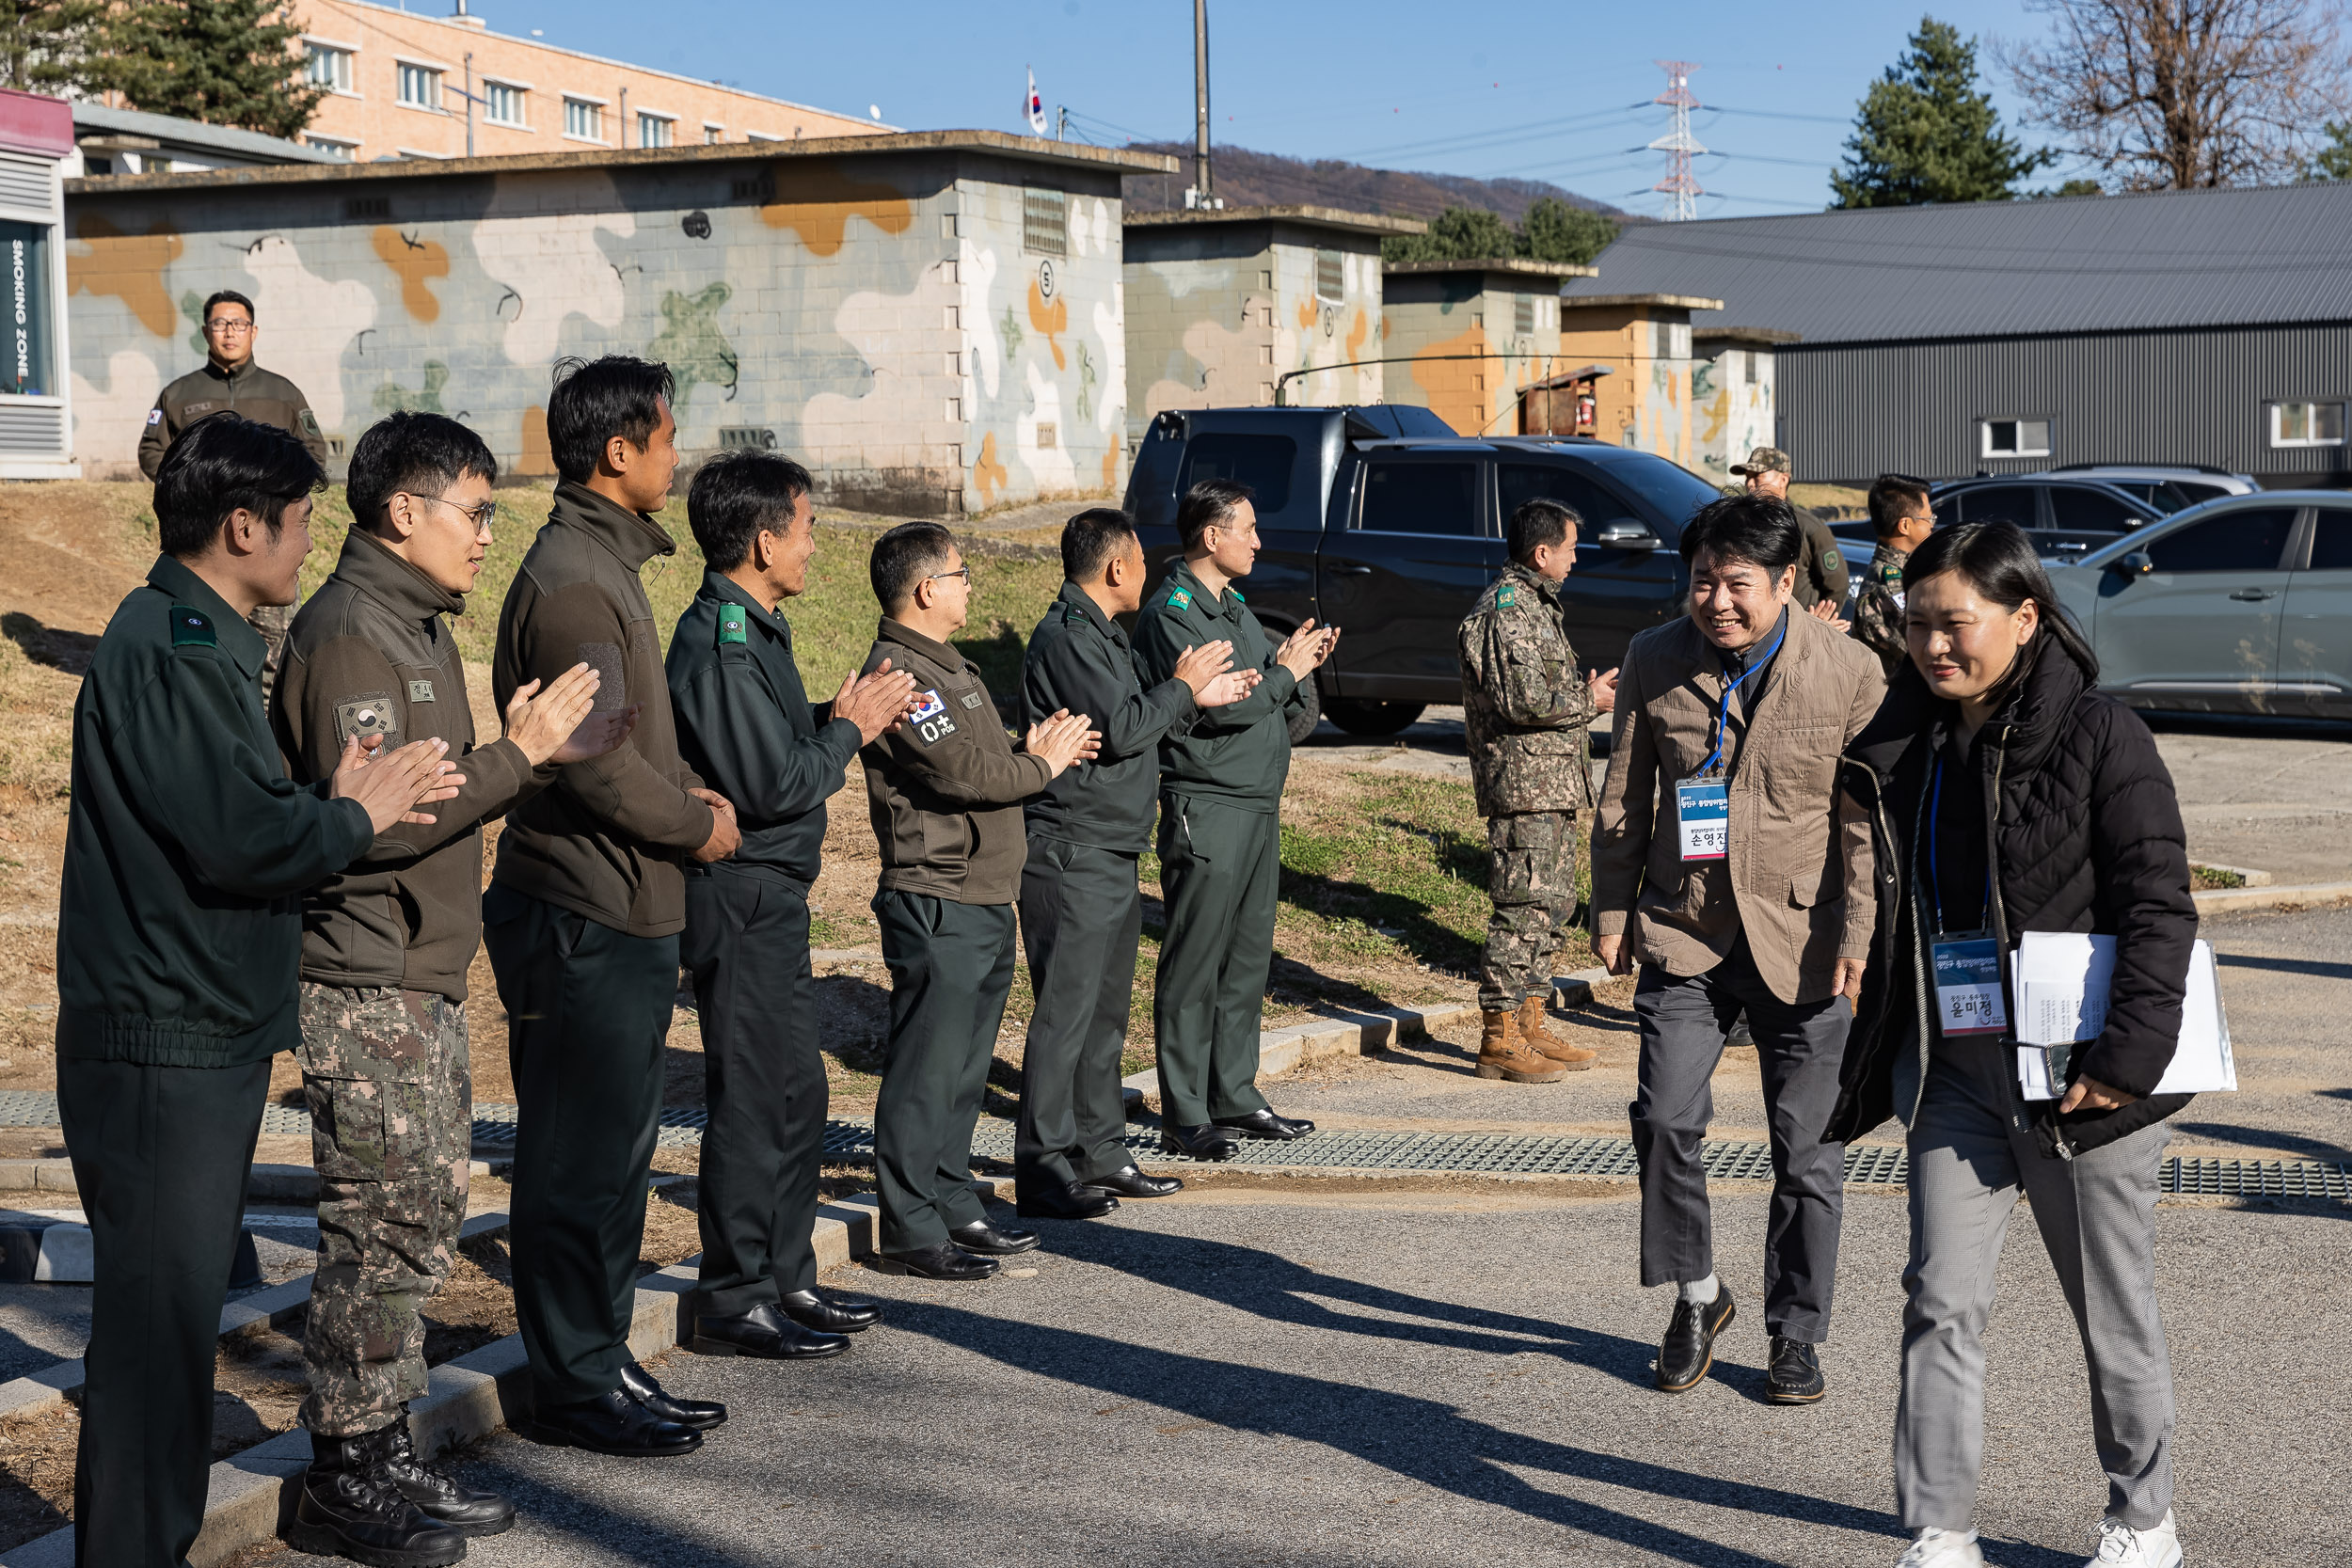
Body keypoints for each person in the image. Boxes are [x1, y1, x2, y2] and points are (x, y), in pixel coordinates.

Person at [57, 413, 460, 1568]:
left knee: (171, 1327)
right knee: (153, 1336)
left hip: (198, 1027)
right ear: (243, 525)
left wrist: (320, 802)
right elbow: (236, 836)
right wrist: (351, 815)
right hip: (160, 1038)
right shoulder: (176, 643)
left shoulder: (206, 639)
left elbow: (232, 809)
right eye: (297, 523)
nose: (304, 544)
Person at [272, 411, 637, 1558]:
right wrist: (519, 756)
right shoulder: (349, 633)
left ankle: (384, 1447)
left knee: (419, 1222)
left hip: (420, 970)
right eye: (474, 512)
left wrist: (515, 757)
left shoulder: (416, 624)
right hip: (366, 973)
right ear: (402, 512)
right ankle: (342, 1468)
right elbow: (377, 819)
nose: (487, 534)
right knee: (375, 1229)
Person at [1830, 522, 2196, 1568]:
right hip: (1955, 1065)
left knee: (2110, 1312)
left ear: (2025, 616)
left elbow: (2159, 905)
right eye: (1914, 624)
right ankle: (1939, 1527)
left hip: (2080, 1076)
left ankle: (2141, 1516)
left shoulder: (2100, 734)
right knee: (1938, 1297)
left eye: (1956, 623)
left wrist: (2125, 1058)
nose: (1933, 645)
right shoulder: (1909, 740)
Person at [484, 356, 742, 1457]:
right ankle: (572, 1379)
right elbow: (592, 762)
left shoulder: (606, 560)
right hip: (582, 907)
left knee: (617, 1155)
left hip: (626, 901)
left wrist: (680, 792)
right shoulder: (577, 578)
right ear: (617, 451)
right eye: (667, 435)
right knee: (576, 1159)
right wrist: (697, 824)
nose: (679, 454)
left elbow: (627, 738)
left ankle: (597, 1353)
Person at [1590, 491, 1885, 1404]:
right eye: (1702, 580)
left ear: (1786, 581)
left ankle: (1794, 1331)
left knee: (1806, 1154)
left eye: (1738, 583)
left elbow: (1866, 825)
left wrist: (1863, 935)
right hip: (1685, 928)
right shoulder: (1653, 658)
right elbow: (1625, 792)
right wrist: (1609, 906)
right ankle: (1695, 1294)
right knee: (1664, 1119)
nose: (1717, 599)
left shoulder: (1848, 670)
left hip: (1805, 938)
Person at [666, 451, 918, 1357]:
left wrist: (836, 714)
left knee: (796, 1091)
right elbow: (775, 780)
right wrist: (849, 727)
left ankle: (786, 1274)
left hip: (775, 894)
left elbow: (774, 739)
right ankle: (735, 1294)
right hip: (739, 895)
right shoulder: (721, 637)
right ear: (766, 538)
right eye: (807, 527)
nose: (816, 545)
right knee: (753, 1096)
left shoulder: (757, 628)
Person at [857, 522, 1096, 1278]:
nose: (970, 584)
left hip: (983, 894)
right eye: (961, 574)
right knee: (927, 1068)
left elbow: (984, 756)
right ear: (927, 589)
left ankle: (953, 1198)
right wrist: (1042, 763)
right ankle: (908, 1221)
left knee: (962, 1069)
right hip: (940, 895)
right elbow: (964, 774)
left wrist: (1029, 746)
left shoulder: (946, 663)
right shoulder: (900, 671)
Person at [1014, 508, 1259, 1219]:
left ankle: (1102, 1150)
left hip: (1112, 844)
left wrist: (1188, 697)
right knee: (1065, 1016)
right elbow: (1122, 728)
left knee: (1103, 1017)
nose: (1147, 573)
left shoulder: (1104, 635)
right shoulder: (1067, 638)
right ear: (1117, 566)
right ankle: (1044, 1165)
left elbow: (1136, 721)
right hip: (1073, 845)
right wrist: (1181, 687)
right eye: (1140, 562)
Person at [1133, 480, 1339, 1161]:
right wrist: (1283, 672)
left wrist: (1286, 670)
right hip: (1210, 801)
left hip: (1255, 801)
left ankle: (1234, 1090)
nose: (1257, 539)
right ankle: (1185, 1109)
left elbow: (1260, 693)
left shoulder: (1234, 607)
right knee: (1196, 958)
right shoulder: (1175, 611)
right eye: (1246, 528)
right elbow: (1224, 704)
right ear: (1210, 535)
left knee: (1246, 956)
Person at [1458, 498, 1619, 1084]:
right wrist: (1590, 701)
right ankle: (1498, 1037)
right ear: (1542, 552)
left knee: (1554, 906)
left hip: (1550, 785)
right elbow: (1521, 700)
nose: (1577, 558)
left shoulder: (1537, 606)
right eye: (1571, 548)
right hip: (1523, 786)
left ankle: (1529, 1019)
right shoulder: (1507, 611)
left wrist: (1580, 692)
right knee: (1522, 908)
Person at [137, 289, 332, 700]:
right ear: (206, 331)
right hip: (208, 547)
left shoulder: (284, 393)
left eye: (239, 324)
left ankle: (265, 727)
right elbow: (151, 450)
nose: (230, 332)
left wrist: (273, 497)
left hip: (269, 545)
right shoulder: (179, 394)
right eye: (220, 324)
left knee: (276, 659)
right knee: (201, 651)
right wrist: (195, 489)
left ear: (254, 331)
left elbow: (315, 453)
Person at [1731, 445, 1849, 624]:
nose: (1749, 484)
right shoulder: (1739, 523)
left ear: (1783, 480)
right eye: (1747, 478)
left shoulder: (1808, 527)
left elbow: (1837, 584)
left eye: (1757, 477)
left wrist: (1820, 622)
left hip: (1798, 628)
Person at [1851, 474, 1938, 678]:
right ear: (1905, 526)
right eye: (1928, 519)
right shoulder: (1887, 590)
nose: (1931, 526)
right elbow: (1922, 655)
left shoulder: (1909, 572)